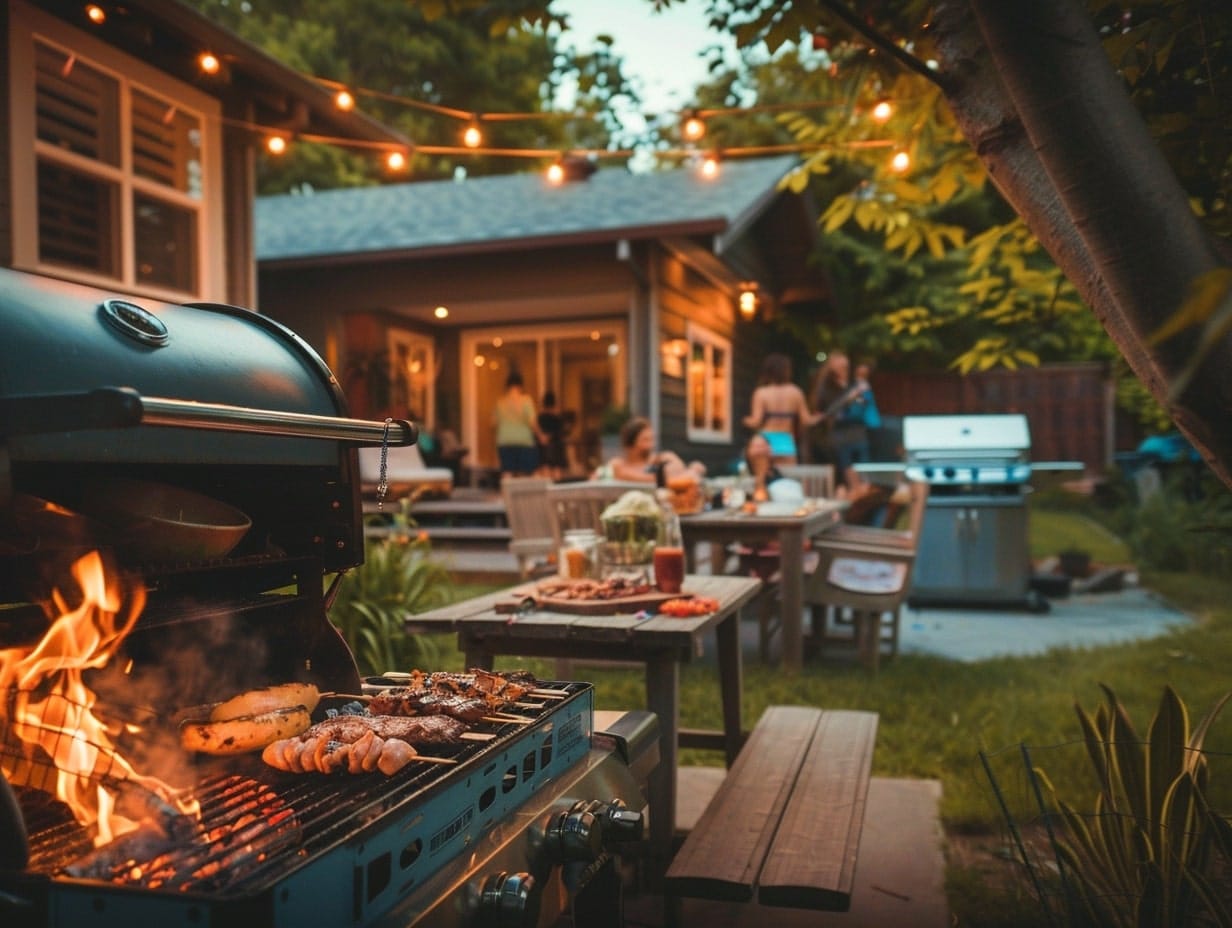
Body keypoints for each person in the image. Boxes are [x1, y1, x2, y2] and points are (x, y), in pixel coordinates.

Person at [809, 351, 881, 489]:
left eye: (845, 367)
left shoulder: (854, 383)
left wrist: (861, 397)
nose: (844, 370)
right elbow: (827, 412)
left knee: (864, 469)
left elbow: (863, 403)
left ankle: (861, 495)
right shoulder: (827, 387)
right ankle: (855, 494)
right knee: (847, 470)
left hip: (858, 431)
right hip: (839, 434)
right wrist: (849, 399)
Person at [742, 353, 821, 467]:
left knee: (764, 479)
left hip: (765, 441)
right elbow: (806, 421)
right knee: (787, 481)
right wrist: (819, 417)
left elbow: (755, 422)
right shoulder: (795, 392)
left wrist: (744, 420)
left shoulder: (761, 392)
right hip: (786, 441)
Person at [599, 416, 705, 486]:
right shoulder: (618, 465)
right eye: (645, 440)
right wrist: (692, 471)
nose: (651, 445)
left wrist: (693, 470)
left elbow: (681, 477)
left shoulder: (664, 459)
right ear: (629, 446)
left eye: (652, 439)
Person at [492, 370, 544, 479]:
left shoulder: (500, 402)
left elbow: (493, 423)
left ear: (507, 386)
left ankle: (506, 495)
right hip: (524, 441)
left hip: (505, 441)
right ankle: (525, 496)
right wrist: (541, 436)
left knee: (507, 472)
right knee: (526, 473)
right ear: (521, 386)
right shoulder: (526, 400)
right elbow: (532, 422)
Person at [536, 391, 568, 480]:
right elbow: (561, 433)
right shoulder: (558, 418)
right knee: (557, 472)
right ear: (555, 403)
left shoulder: (540, 418)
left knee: (545, 471)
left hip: (543, 449)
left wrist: (544, 438)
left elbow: (536, 433)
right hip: (557, 448)